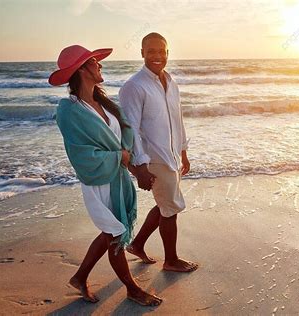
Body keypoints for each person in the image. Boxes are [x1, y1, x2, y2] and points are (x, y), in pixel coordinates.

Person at [49, 45, 161, 306]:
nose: (100, 65)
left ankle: (79, 277)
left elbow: (126, 134)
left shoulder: (105, 104)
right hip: (98, 180)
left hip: (117, 178)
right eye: (94, 62)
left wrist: (133, 164)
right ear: (82, 69)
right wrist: (117, 157)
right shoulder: (68, 109)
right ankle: (132, 289)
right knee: (114, 234)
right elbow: (79, 153)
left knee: (111, 233)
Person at [119, 32, 198, 272]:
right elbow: (129, 128)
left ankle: (137, 244)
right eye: (151, 51)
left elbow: (178, 119)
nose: (157, 56)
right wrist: (140, 165)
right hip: (154, 158)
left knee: (165, 203)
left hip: (172, 155)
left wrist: (183, 151)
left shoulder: (171, 82)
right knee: (171, 208)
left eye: (161, 51)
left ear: (167, 53)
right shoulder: (134, 86)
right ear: (142, 53)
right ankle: (171, 261)